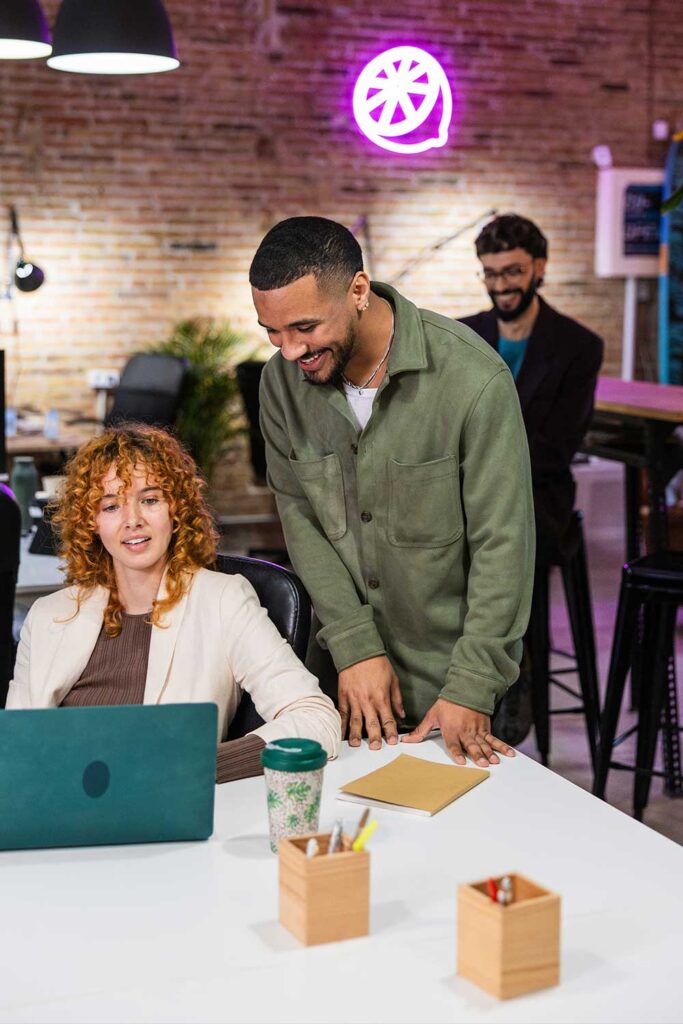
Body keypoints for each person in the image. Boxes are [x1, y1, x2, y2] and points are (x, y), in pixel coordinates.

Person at [250, 216, 535, 768]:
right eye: (272, 331)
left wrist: (472, 683)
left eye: (304, 326)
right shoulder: (280, 386)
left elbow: (504, 544)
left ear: (358, 290)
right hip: (343, 683)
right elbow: (301, 521)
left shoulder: (473, 380)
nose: (289, 350)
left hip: (454, 692)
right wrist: (355, 646)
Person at [6, 424, 341, 780]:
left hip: (164, 805)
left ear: (176, 508)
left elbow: (315, 718)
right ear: (91, 521)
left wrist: (199, 767)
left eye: (150, 500)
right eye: (111, 506)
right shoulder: (47, 616)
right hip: (57, 800)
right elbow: (14, 749)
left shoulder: (222, 600)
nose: (133, 521)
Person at [459, 214, 603, 565]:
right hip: (463, 489)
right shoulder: (461, 336)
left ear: (539, 267)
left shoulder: (578, 346)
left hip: (535, 496)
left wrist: (476, 477)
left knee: (499, 540)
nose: (500, 285)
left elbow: (555, 450)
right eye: (490, 273)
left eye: (513, 272)